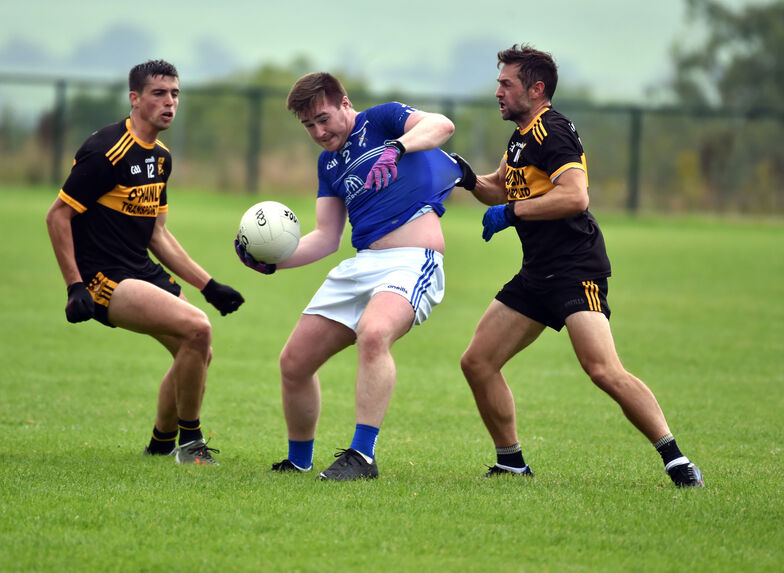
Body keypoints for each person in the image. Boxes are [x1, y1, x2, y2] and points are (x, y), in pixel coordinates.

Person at [451, 45, 704, 487]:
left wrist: (512, 213)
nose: (498, 92)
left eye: (506, 84)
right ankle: (511, 462)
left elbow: (575, 195)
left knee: (602, 369)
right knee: (477, 361)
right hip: (537, 272)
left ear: (536, 88)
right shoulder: (521, 137)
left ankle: (677, 461)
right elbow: (497, 188)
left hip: (575, 268)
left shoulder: (554, 131)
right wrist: (465, 176)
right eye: (498, 83)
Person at [235, 72, 461, 481]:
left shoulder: (384, 119)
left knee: (374, 334)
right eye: (309, 126)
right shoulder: (329, 163)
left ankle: (363, 457)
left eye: (324, 118)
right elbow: (325, 237)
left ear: (344, 103)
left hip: (412, 260)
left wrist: (397, 147)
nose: (319, 132)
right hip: (361, 266)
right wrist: (271, 262)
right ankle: (299, 459)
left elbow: (442, 125)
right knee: (294, 362)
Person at [46, 59, 244, 465]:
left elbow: (158, 234)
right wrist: (74, 285)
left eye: (174, 94)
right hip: (103, 278)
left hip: (140, 268)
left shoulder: (161, 158)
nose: (169, 102)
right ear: (134, 99)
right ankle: (191, 444)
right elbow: (57, 216)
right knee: (196, 329)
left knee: (197, 350)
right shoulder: (105, 152)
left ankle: (160, 443)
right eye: (159, 94)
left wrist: (209, 286)